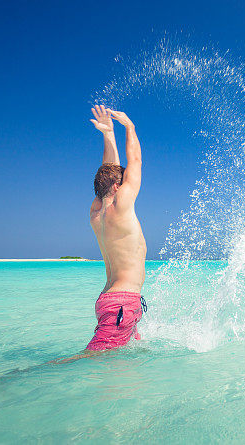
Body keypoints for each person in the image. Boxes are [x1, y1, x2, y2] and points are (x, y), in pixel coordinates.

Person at [85, 105, 148, 352]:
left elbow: (107, 173)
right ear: (116, 188)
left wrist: (108, 135)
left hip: (111, 302)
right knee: (95, 357)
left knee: (120, 365)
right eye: (121, 184)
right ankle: (24, 377)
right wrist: (129, 127)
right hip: (122, 302)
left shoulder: (96, 213)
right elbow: (136, 161)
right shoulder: (121, 206)